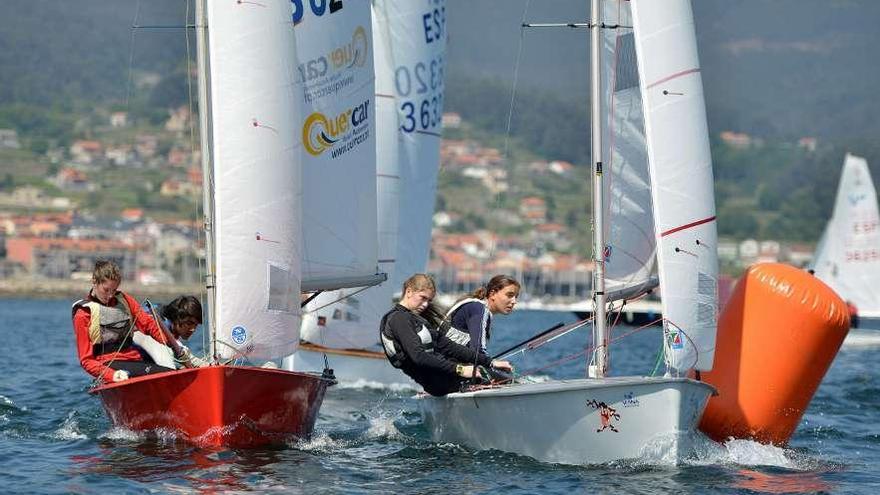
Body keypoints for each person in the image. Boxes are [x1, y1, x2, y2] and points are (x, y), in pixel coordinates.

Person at [379, 274, 510, 396]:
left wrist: (490, 362)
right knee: (507, 382)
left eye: (429, 300)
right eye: (422, 298)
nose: (425, 304)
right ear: (409, 292)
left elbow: (449, 346)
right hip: (439, 383)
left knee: (502, 376)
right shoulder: (398, 319)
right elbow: (418, 356)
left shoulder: (415, 319)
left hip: (446, 375)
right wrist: (460, 369)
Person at [72, 260, 174, 384]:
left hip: (134, 360)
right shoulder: (83, 315)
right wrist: (112, 375)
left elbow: (148, 324)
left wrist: (171, 343)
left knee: (170, 373)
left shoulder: (125, 300)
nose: (110, 295)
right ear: (94, 281)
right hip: (108, 366)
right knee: (167, 375)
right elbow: (86, 360)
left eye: (114, 290)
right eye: (106, 290)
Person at [444, 274, 520, 358]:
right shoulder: (479, 309)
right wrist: (491, 364)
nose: (514, 301)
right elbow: (478, 350)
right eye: (509, 295)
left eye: (516, 297)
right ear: (493, 294)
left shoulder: (477, 307)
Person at [155, 295, 209, 368]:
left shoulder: (170, 325)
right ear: (177, 318)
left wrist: (208, 366)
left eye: (196, 325)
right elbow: (178, 348)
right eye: (189, 323)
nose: (193, 329)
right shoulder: (158, 323)